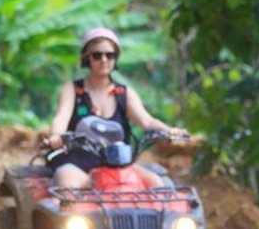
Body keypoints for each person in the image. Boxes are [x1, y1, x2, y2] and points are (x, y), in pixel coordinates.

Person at [43, 27, 185, 189]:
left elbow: (147, 121)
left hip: (119, 166)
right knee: (68, 186)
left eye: (109, 55)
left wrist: (168, 131)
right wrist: (56, 136)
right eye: (97, 55)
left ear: (115, 59)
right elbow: (60, 118)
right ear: (86, 58)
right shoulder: (72, 90)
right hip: (77, 164)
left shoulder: (124, 93)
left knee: (157, 184)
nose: (104, 60)